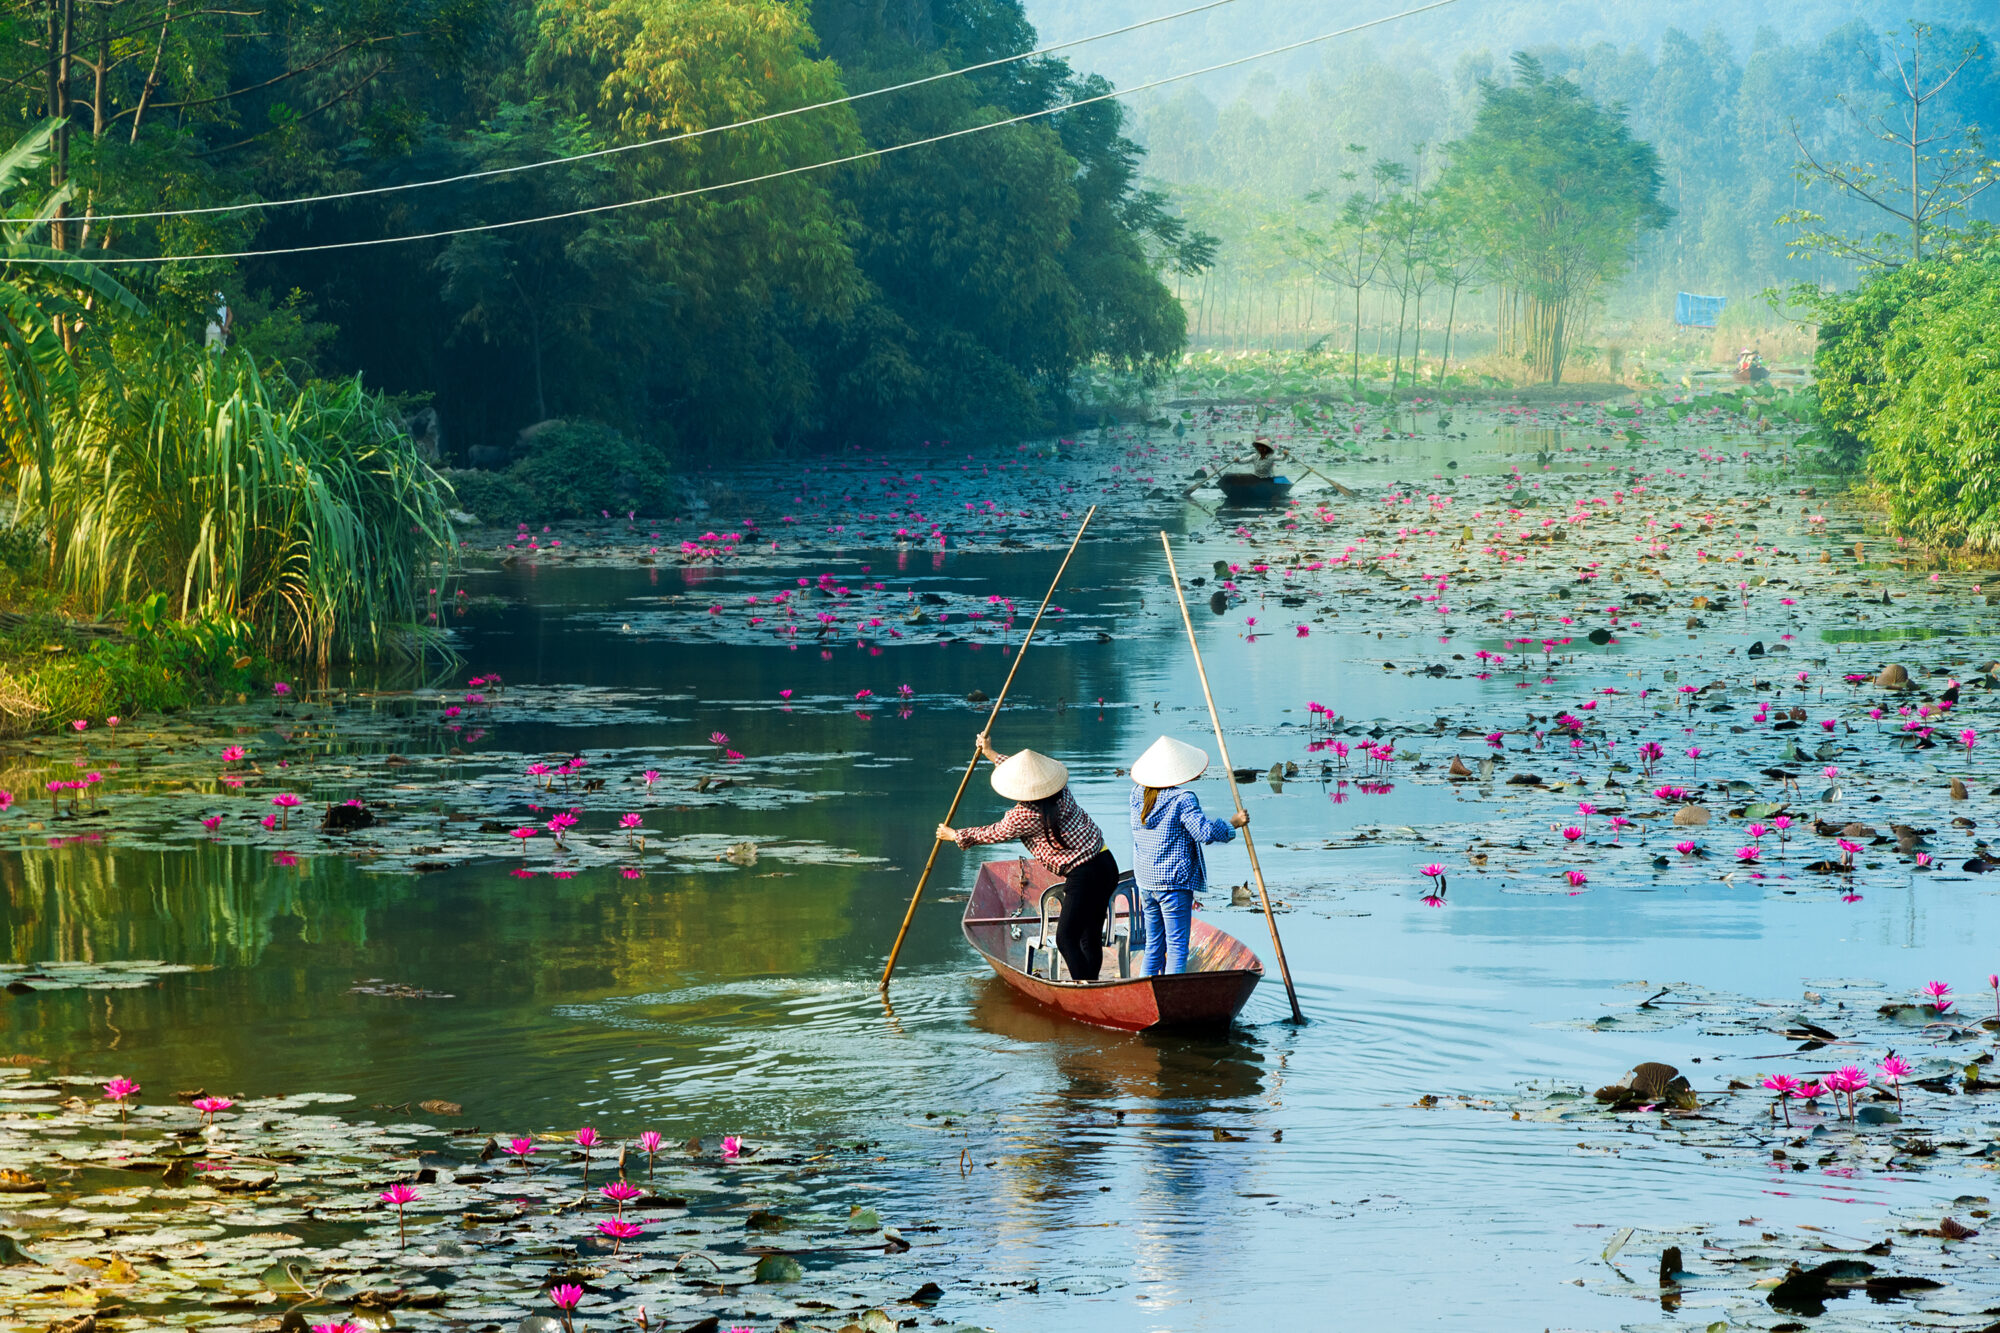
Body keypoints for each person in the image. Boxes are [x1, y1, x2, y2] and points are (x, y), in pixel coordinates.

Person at [938, 735, 1121, 982]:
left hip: (1084, 874)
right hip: (1106, 862)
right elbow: (1021, 774)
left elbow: (992, 833)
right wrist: (991, 753)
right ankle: (1091, 984)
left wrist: (955, 835)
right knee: (1088, 934)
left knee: (1066, 938)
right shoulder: (1061, 792)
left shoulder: (1023, 815)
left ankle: (1084, 988)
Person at [1127, 735, 1247, 976]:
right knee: (1177, 947)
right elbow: (1203, 832)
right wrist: (1233, 824)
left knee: (1153, 945)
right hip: (1173, 883)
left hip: (1147, 882)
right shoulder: (1183, 799)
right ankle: (1171, 999)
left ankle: (1148, 994)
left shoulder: (1137, 793)